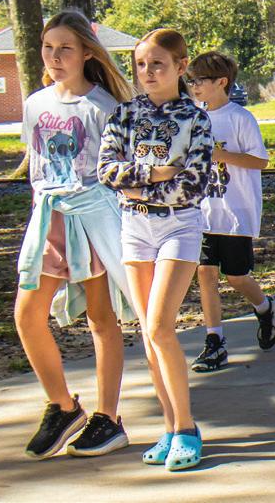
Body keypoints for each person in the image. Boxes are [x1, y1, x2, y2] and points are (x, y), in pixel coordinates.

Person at [15, 10, 135, 460]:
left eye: (65, 48)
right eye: (48, 47)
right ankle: (63, 406)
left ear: (87, 52)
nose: (54, 56)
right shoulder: (36, 103)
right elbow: (37, 165)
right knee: (27, 314)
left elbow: (120, 173)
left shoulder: (105, 107)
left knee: (101, 319)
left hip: (93, 220)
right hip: (49, 221)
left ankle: (108, 418)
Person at [98, 29, 214, 471]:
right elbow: (106, 170)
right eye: (141, 64)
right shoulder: (124, 115)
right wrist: (155, 173)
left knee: (162, 326)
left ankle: (187, 428)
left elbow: (193, 184)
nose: (147, 72)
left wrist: (137, 184)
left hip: (178, 228)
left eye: (158, 64)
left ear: (181, 67)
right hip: (134, 229)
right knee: (148, 334)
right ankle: (169, 428)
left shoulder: (196, 119)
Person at [185, 51, 275, 373]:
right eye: (191, 81)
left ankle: (265, 307)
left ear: (221, 82)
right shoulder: (193, 117)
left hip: (235, 211)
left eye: (200, 80)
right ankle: (215, 341)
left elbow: (260, 160)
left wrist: (221, 155)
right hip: (202, 211)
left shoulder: (240, 118)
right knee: (205, 273)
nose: (194, 86)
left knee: (236, 276)